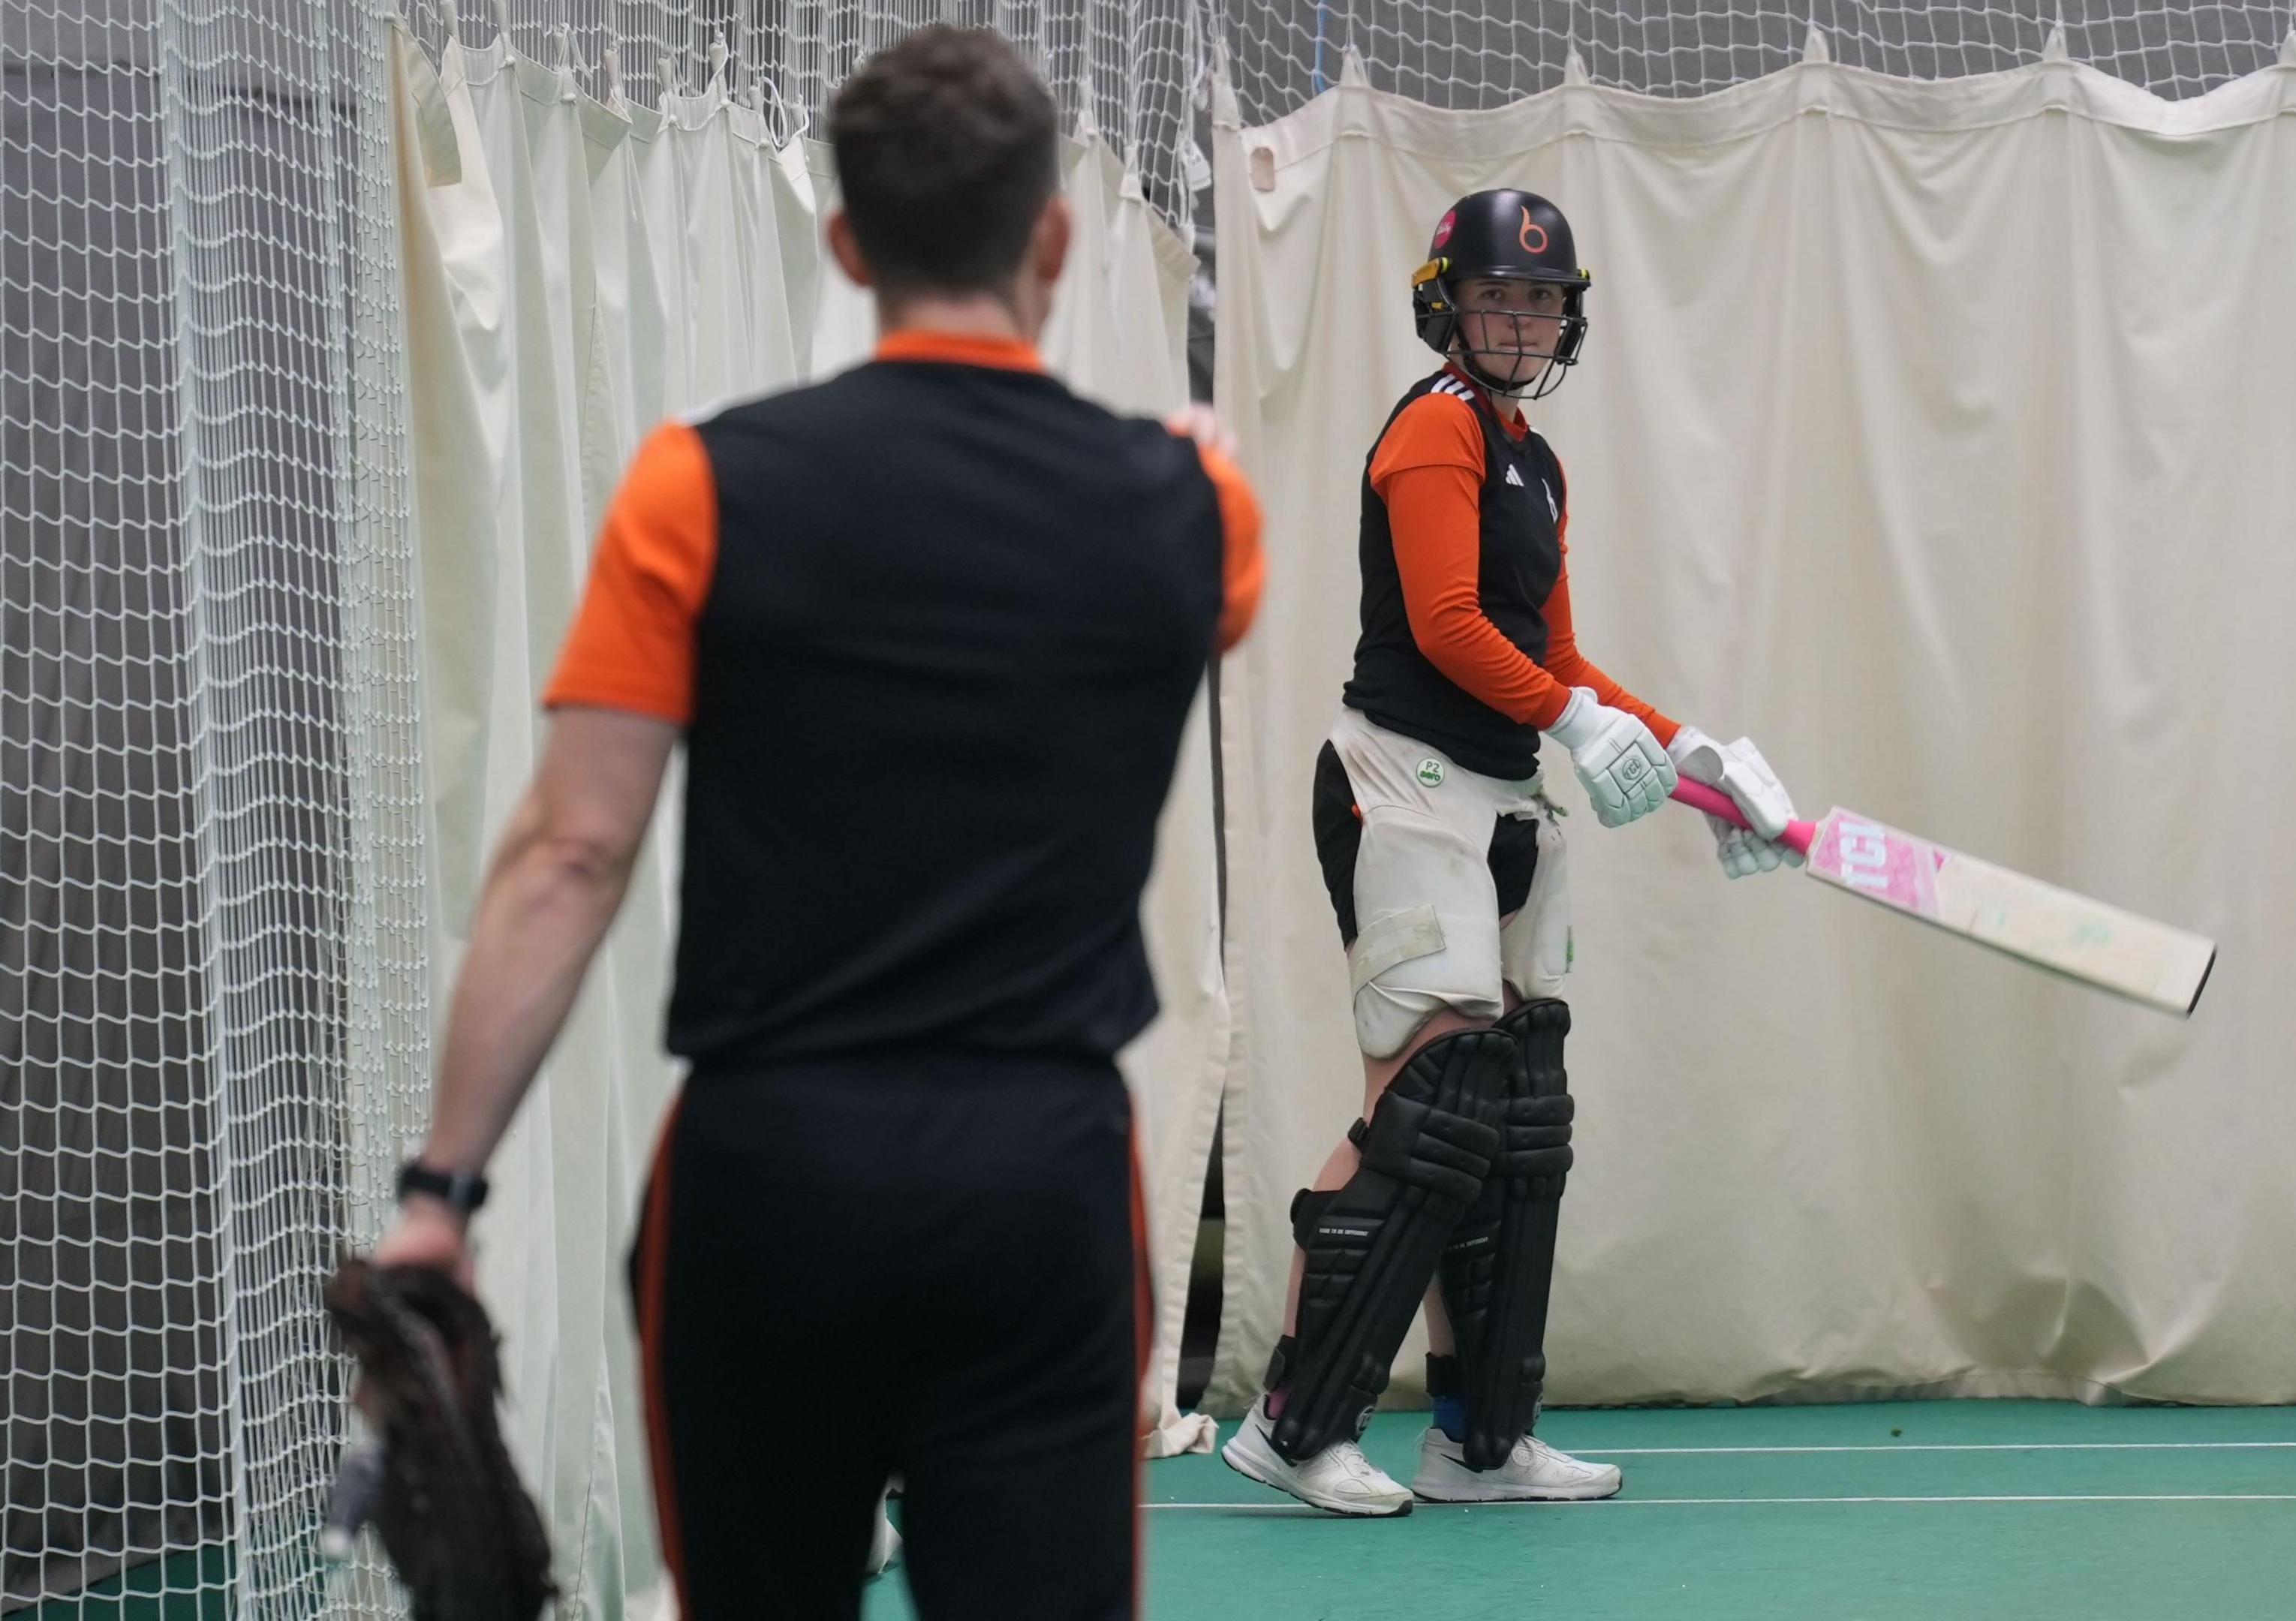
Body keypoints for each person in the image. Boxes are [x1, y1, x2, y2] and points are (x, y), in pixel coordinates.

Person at [369, 26, 1262, 1618]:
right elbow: (1203, 581)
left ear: (847, 242)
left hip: (769, 1182)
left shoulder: (696, 485)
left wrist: (440, 1193)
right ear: (1052, 235)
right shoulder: (1191, 511)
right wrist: (1181, 468)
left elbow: (571, 854)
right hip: (1033, 1181)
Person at [1219, 188, 1803, 1516]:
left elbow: (1551, 654)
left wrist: (1697, 757)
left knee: (1513, 1117)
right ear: (1447, 302)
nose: (1522, 317)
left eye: (1543, 300)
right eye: (1500, 294)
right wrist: (1577, 721)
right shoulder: (1434, 431)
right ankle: (1295, 1422)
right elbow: (1441, 626)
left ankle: (1481, 1440)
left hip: (1499, 793)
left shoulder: (1533, 456)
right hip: (1401, 784)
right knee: (1423, 1116)